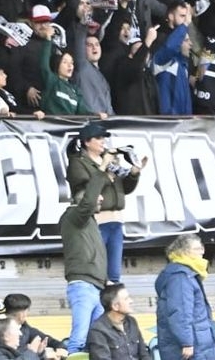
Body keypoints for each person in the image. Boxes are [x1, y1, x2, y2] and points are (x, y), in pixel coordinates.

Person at [65, 122, 145, 286]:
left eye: (104, 138)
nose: (103, 142)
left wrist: (134, 174)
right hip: (95, 220)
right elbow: (87, 190)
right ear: (87, 142)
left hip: (116, 220)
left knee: (114, 274)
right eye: (99, 138)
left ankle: (110, 305)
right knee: (97, 270)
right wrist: (103, 170)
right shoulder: (78, 162)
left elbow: (124, 189)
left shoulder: (109, 160)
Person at [59, 164, 109, 353]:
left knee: (97, 339)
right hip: (82, 287)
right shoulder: (73, 215)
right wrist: (101, 171)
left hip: (95, 287)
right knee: (79, 340)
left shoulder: (87, 221)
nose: (102, 198)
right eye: (98, 194)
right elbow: (88, 202)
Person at [155, 234, 215, 360]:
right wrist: (186, 342)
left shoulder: (185, 273)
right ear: (183, 252)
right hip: (193, 345)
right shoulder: (180, 277)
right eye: (197, 249)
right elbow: (180, 311)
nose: (202, 252)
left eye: (201, 248)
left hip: (197, 342)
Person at [85, 285, 148, 360]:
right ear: (115, 306)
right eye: (126, 299)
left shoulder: (131, 322)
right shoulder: (98, 330)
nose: (131, 301)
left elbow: (144, 354)